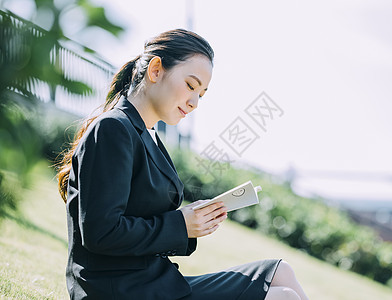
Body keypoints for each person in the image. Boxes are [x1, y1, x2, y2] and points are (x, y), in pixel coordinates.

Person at [57, 29, 309, 300]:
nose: (195, 102)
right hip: (119, 290)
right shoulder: (113, 129)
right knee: (283, 297)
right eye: (191, 86)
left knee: (279, 272)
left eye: (202, 93)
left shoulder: (147, 136)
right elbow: (101, 233)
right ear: (156, 70)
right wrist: (181, 224)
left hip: (152, 282)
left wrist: (192, 219)